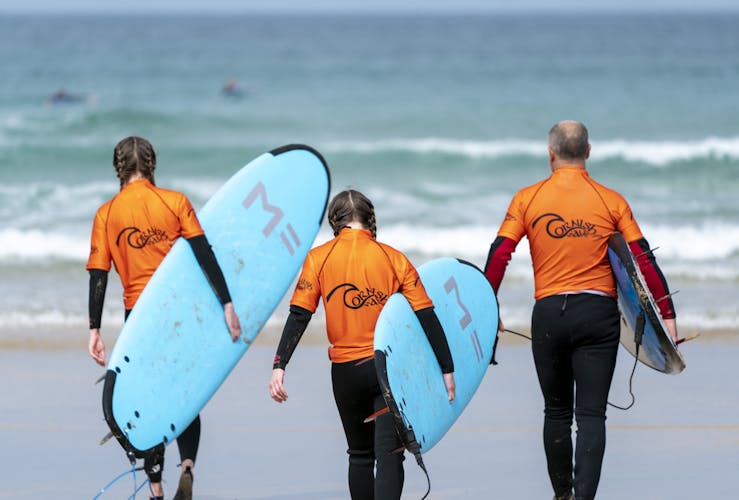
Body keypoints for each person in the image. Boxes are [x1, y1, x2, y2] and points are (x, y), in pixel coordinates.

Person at [484, 121, 677, 500]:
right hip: (598, 315)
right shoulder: (611, 200)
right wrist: (667, 320)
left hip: (550, 316)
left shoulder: (526, 199)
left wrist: (486, 306)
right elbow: (644, 260)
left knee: (555, 413)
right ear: (588, 152)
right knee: (591, 416)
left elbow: (499, 256)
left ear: (550, 152)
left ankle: (562, 496)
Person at [268, 189, 456, 500]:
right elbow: (426, 314)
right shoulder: (393, 258)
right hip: (387, 370)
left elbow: (299, 316)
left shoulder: (318, 258)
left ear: (335, 221)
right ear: (369, 219)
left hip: (345, 373)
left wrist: (279, 365)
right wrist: (446, 367)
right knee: (391, 454)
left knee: (359, 455)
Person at [86, 136, 242, 500]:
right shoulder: (175, 202)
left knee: (151, 400)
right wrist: (227, 304)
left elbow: (99, 276)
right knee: (184, 395)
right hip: (180, 315)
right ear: (152, 164)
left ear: (117, 168)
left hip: (138, 318)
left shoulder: (107, 214)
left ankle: (156, 488)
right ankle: (187, 465)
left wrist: (94, 329)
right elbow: (204, 254)